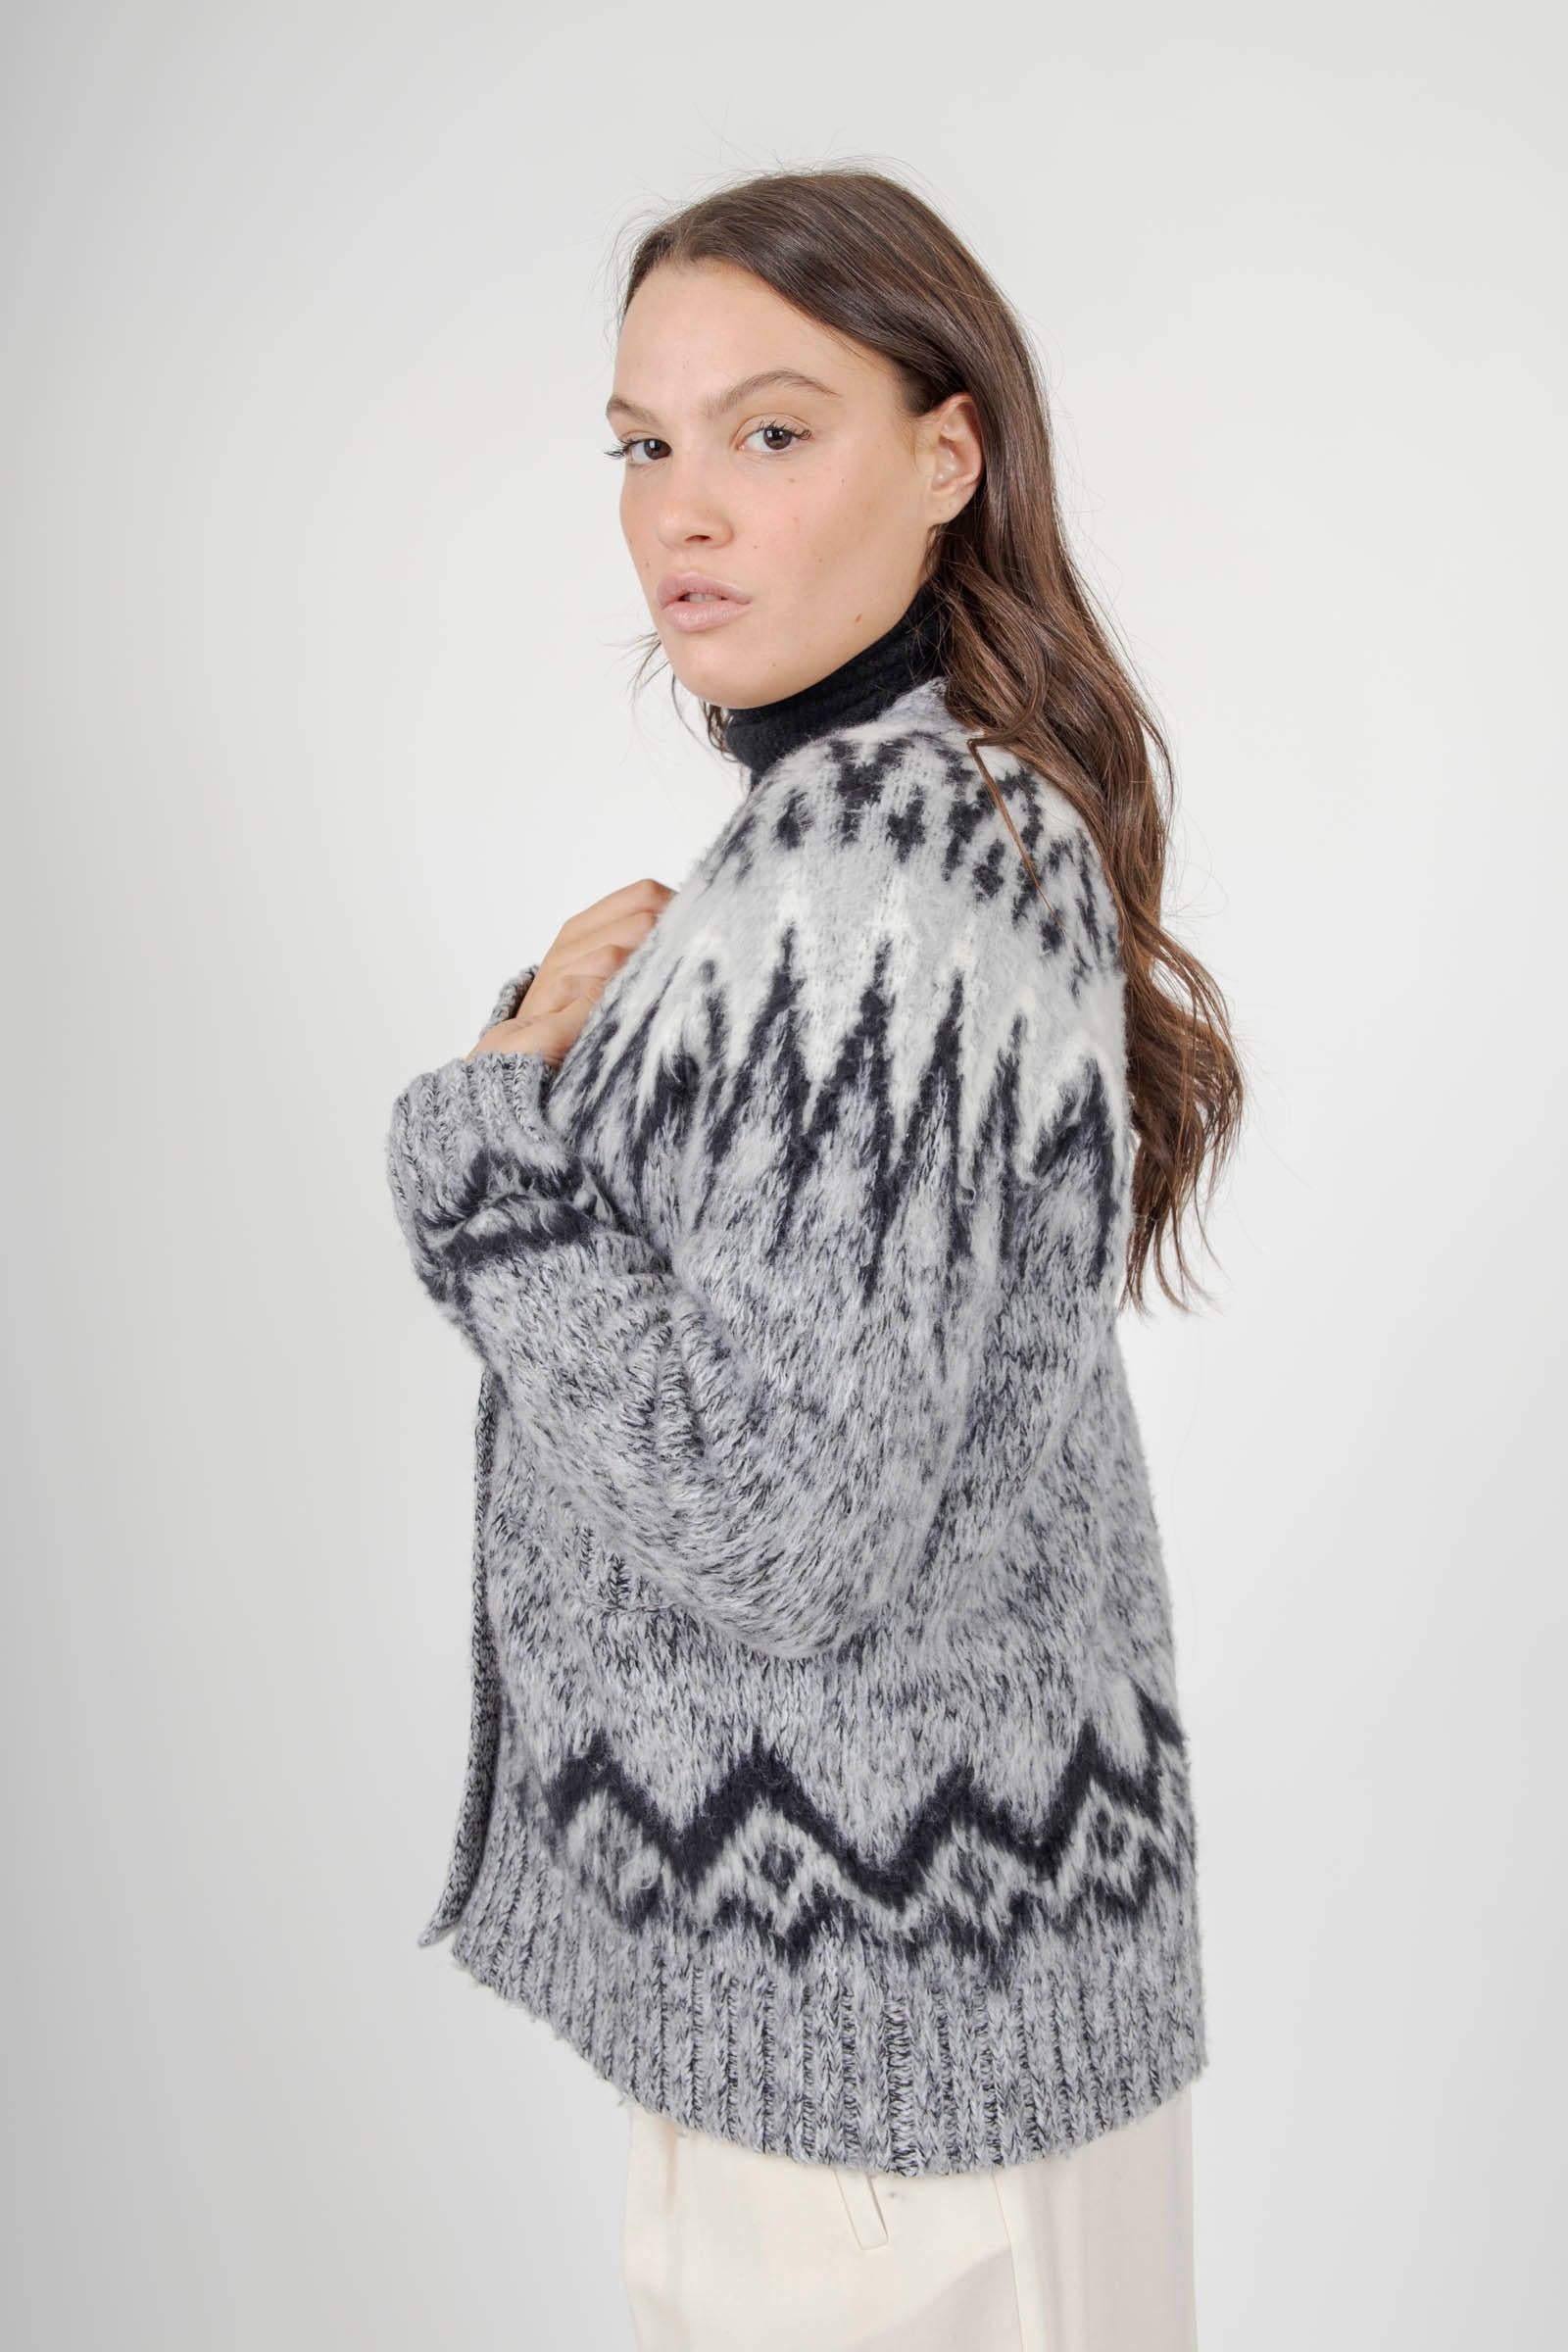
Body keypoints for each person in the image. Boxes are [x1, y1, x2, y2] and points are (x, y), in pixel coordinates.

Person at [384, 165, 1244, 2351]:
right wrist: (575, 1074)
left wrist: (481, 1150)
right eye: (639, 445)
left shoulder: (882, 865)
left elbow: (777, 1525)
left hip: (877, 2087)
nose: (681, 510)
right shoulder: (881, 831)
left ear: (946, 458)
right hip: (897, 2011)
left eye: (770, 432)